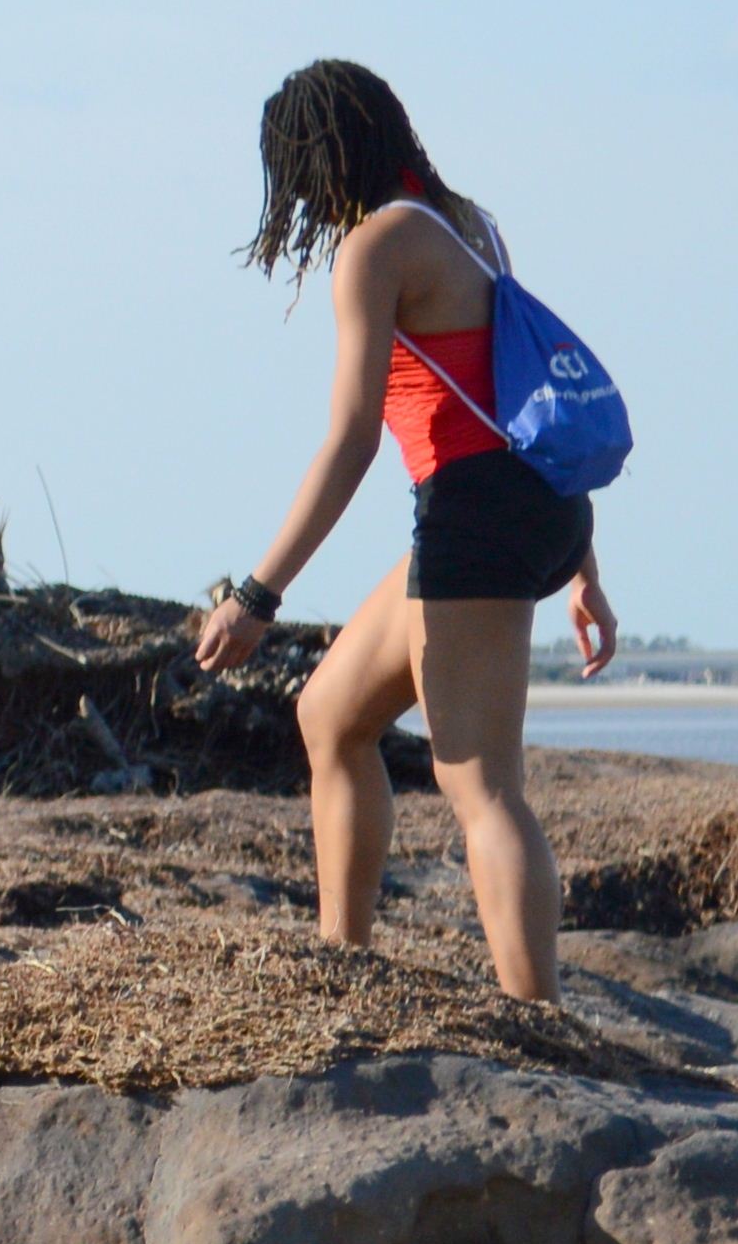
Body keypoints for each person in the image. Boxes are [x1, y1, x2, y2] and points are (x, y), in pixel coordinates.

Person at [182, 58, 616, 1000]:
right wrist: (582, 565)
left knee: (482, 787)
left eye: (293, 169)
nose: (295, 195)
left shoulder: (375, 248)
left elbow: (351, 442)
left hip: (477, 512)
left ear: (324, 158)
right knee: (330, 715)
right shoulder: (470, 224)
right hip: (532, 505)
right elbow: (523, 396)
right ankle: (345, 967)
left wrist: (257, 595)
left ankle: (539, 1021)